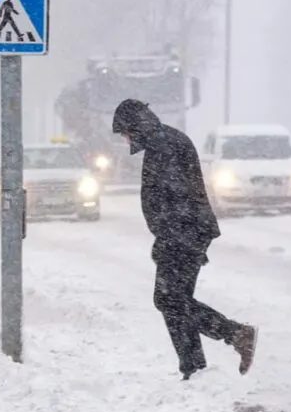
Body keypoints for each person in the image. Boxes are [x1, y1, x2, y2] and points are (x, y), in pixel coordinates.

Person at [111, 99, 258, 381]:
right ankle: (194, 367)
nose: (125, 139)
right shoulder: (162, 141)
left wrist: (172, 237)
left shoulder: (164, 146)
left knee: (168, 300)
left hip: (183, 233)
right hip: (183, 232)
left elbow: (178, 197)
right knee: (176, 301)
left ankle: (235, 334)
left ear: (134, 126)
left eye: (124, 132)